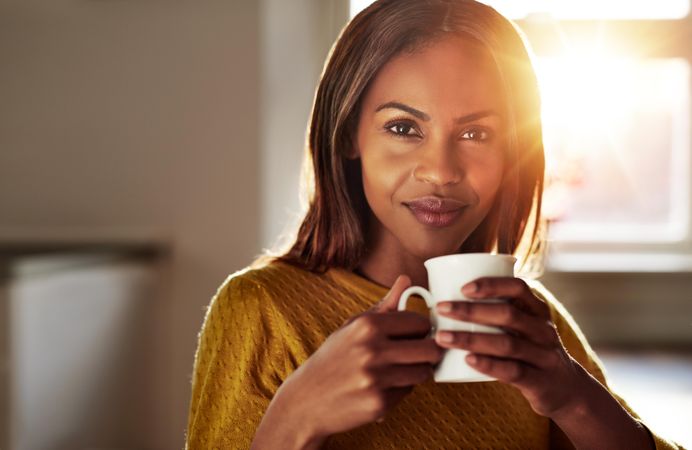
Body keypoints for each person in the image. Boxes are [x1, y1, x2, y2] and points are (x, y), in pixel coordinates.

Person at [185, 1, 684, 448]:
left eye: (475, 132)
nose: (442, 171)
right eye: (403, 128)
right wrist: (295, 420)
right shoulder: (258, 312)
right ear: (347, 135)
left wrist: (574, 397)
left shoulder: (527, 321)